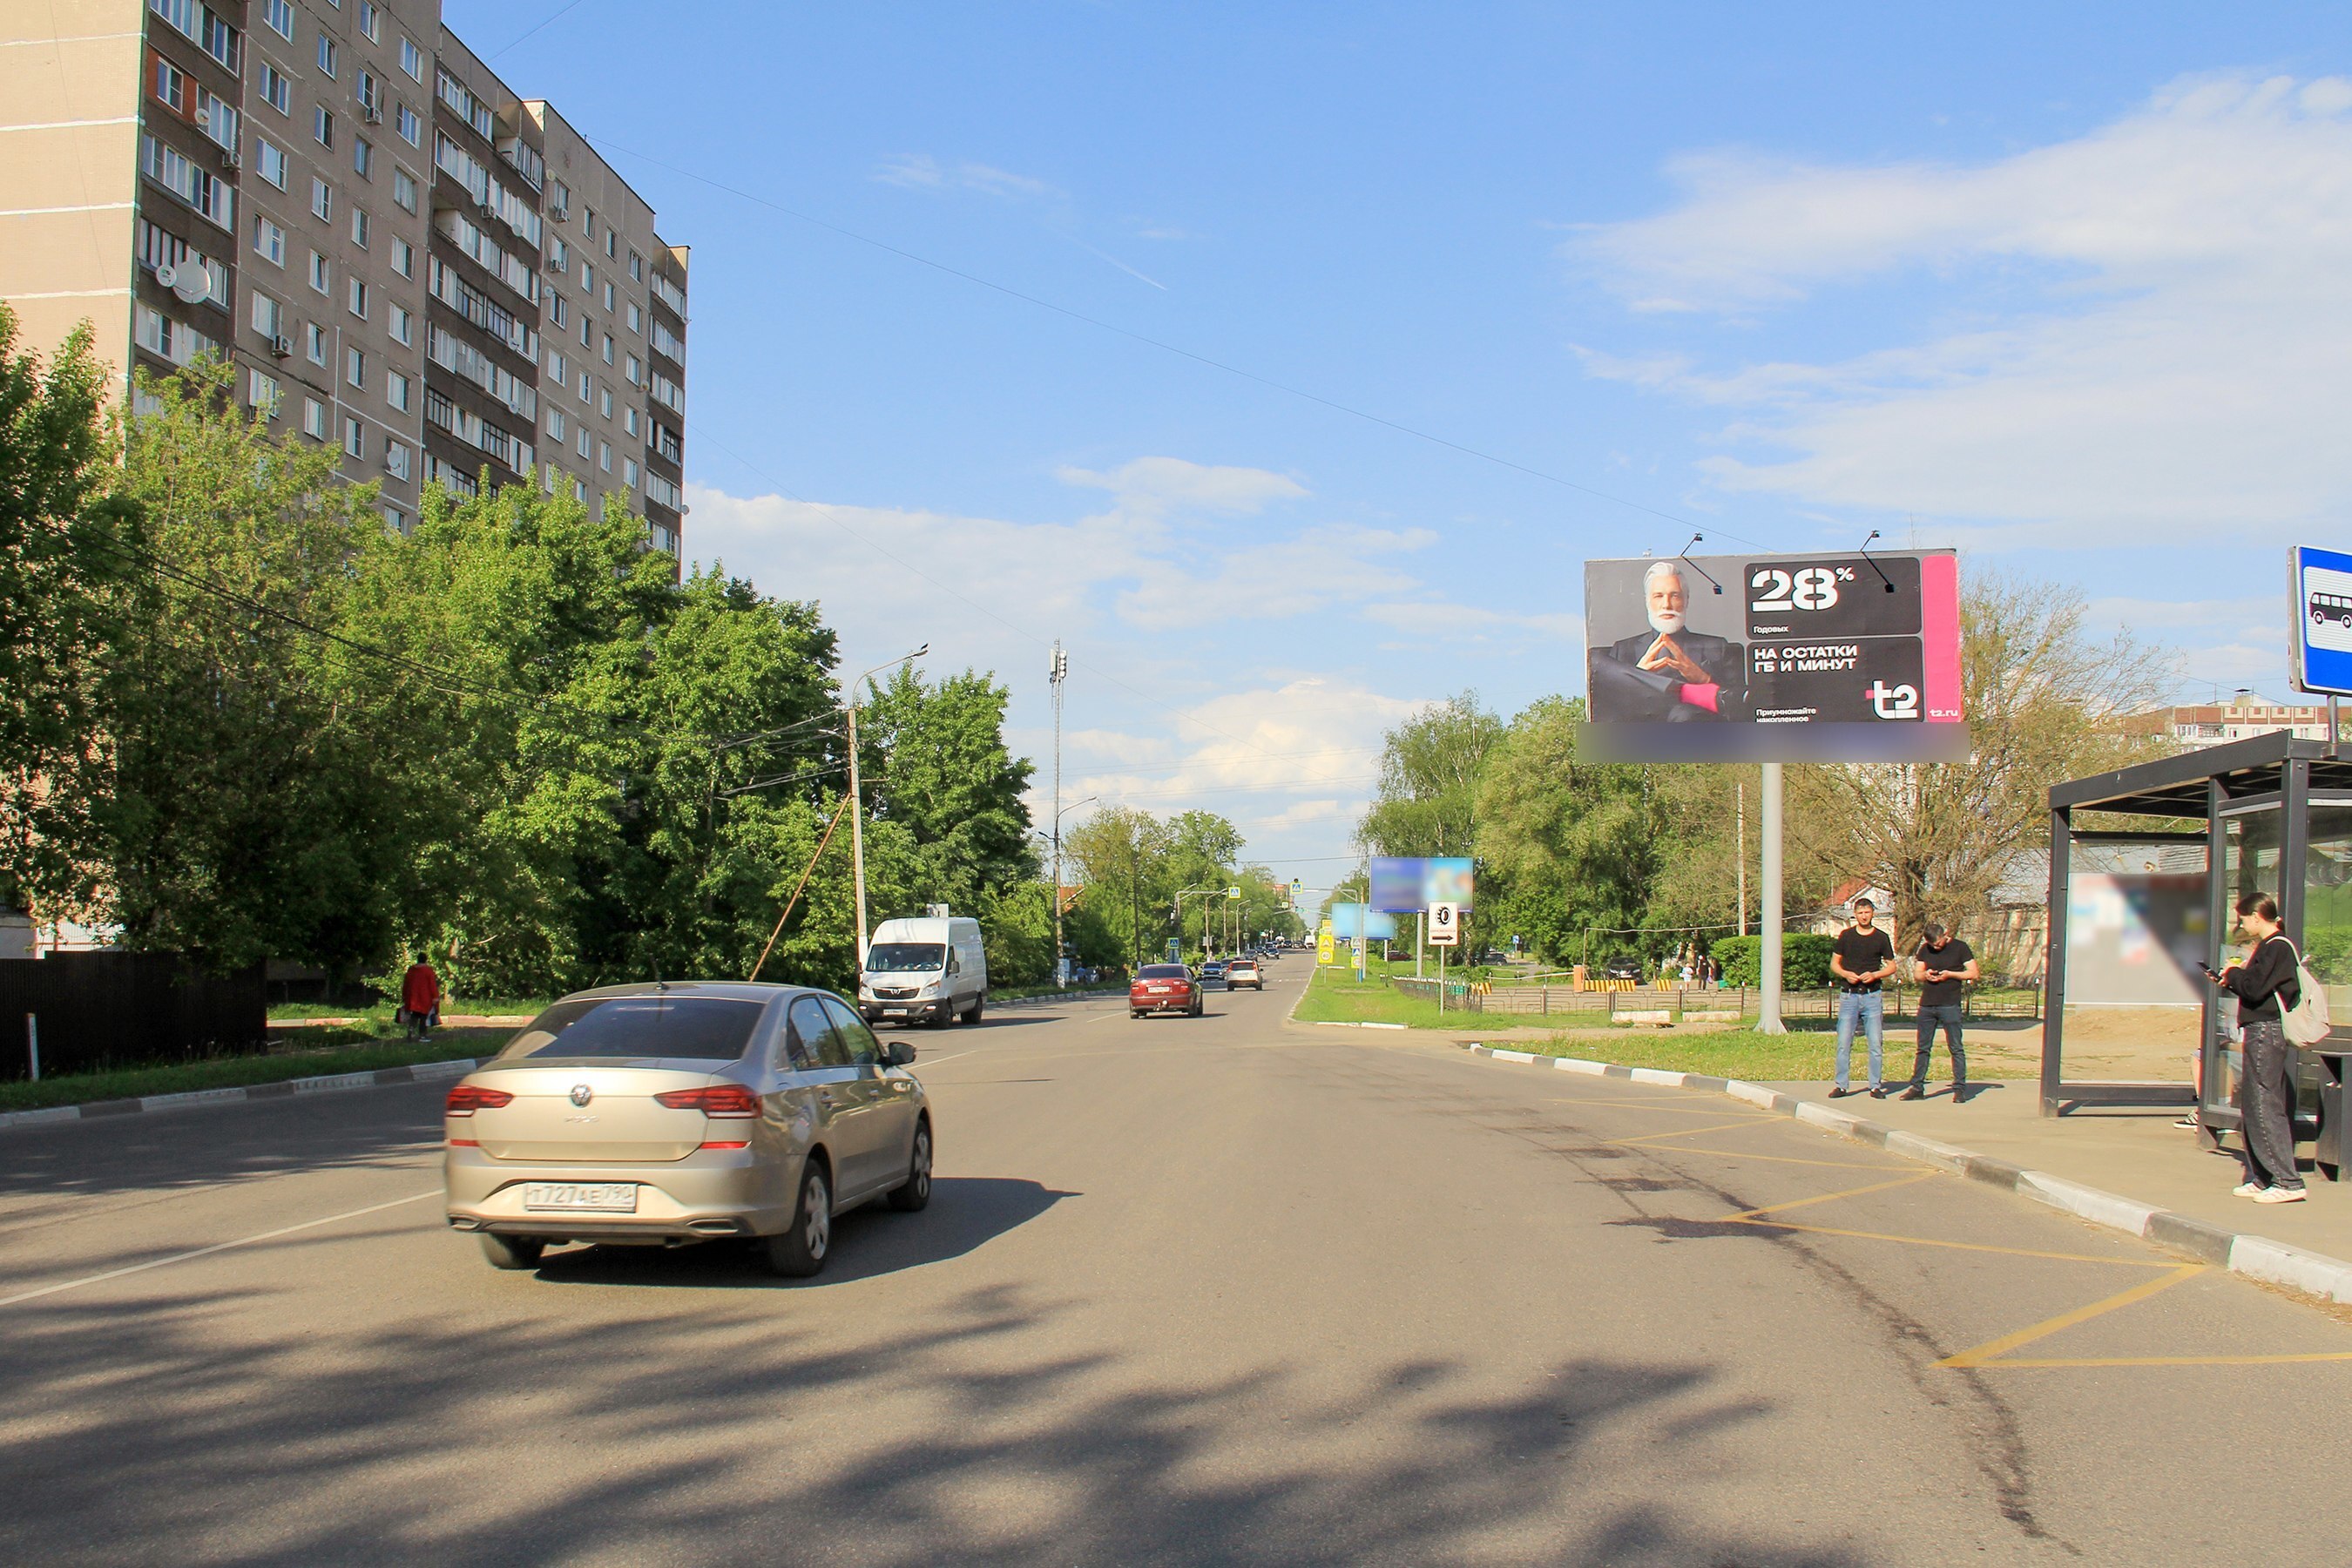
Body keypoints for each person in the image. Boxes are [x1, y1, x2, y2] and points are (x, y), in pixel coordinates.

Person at [2208, 893, 2307, 1203]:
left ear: (2256, 917)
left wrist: (2233, 973)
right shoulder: (2269, 946)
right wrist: (2231, 978)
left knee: (2264, 1102)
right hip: (2260, 1028)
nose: (2241, 925)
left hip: (2266, 1029)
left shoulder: (2277, 946)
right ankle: (2263, 1177)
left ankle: (2288, 1181)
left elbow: (2255, 987)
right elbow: (2256, 986)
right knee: (2253, 1103)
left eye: (2243, 919)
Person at [1587, 561, 1747, 723]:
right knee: (1594, 659)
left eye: (1675, 595)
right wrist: (1637, 677)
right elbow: (1607, 712)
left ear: (1686, 600)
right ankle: (1683, 690)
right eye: (1658, 596)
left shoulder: (1717, 647)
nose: (1666, 605)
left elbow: (1742, 706)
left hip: (1697, 733)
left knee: (1684, 714)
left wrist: (1704, 679)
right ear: (1647, 601)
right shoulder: (1623, 649)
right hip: (1642, 733)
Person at [1896, 922, 1978, 1100]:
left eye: (1939, 943)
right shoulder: (1925, 949)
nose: (1936, 947)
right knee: (1923, 1048)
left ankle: (1959, 1088)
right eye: (1933, 945)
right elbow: (1917, 973)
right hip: (1928, 1004)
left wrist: (1950, 974)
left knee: (1956, 1047)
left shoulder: (1960, 947)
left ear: (1945, 935)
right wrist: (1925, 975)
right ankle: (1917, 1087)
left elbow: (1973, 972)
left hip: (1950, 1004)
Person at [1829, 897, 1896, 1098]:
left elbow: (1892, 966)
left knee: (1875, 1043)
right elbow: (1834, 964)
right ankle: (1841, 1085)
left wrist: (1875, 975)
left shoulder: (1881, 937)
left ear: (1872, 913)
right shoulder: (1846, 936)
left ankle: (1875, 1086)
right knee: (1844, 1043)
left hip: (1872, 996)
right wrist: (1846, 974)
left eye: (1867, 912)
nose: (1864, 916)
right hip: (1849, 996)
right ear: (1855, 914)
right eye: (1860, 913)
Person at [401, 954, 442, 1043]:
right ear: (426, 960)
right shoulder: (428, 971)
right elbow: (432, 985)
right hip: (425, 997)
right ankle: (422, 1036)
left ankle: (410, 1032)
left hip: (413, 998)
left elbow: (406, 983)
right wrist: (435, 997)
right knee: (423, 1017)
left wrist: (404, 995)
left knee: (414, 1015)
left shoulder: (411, 970)